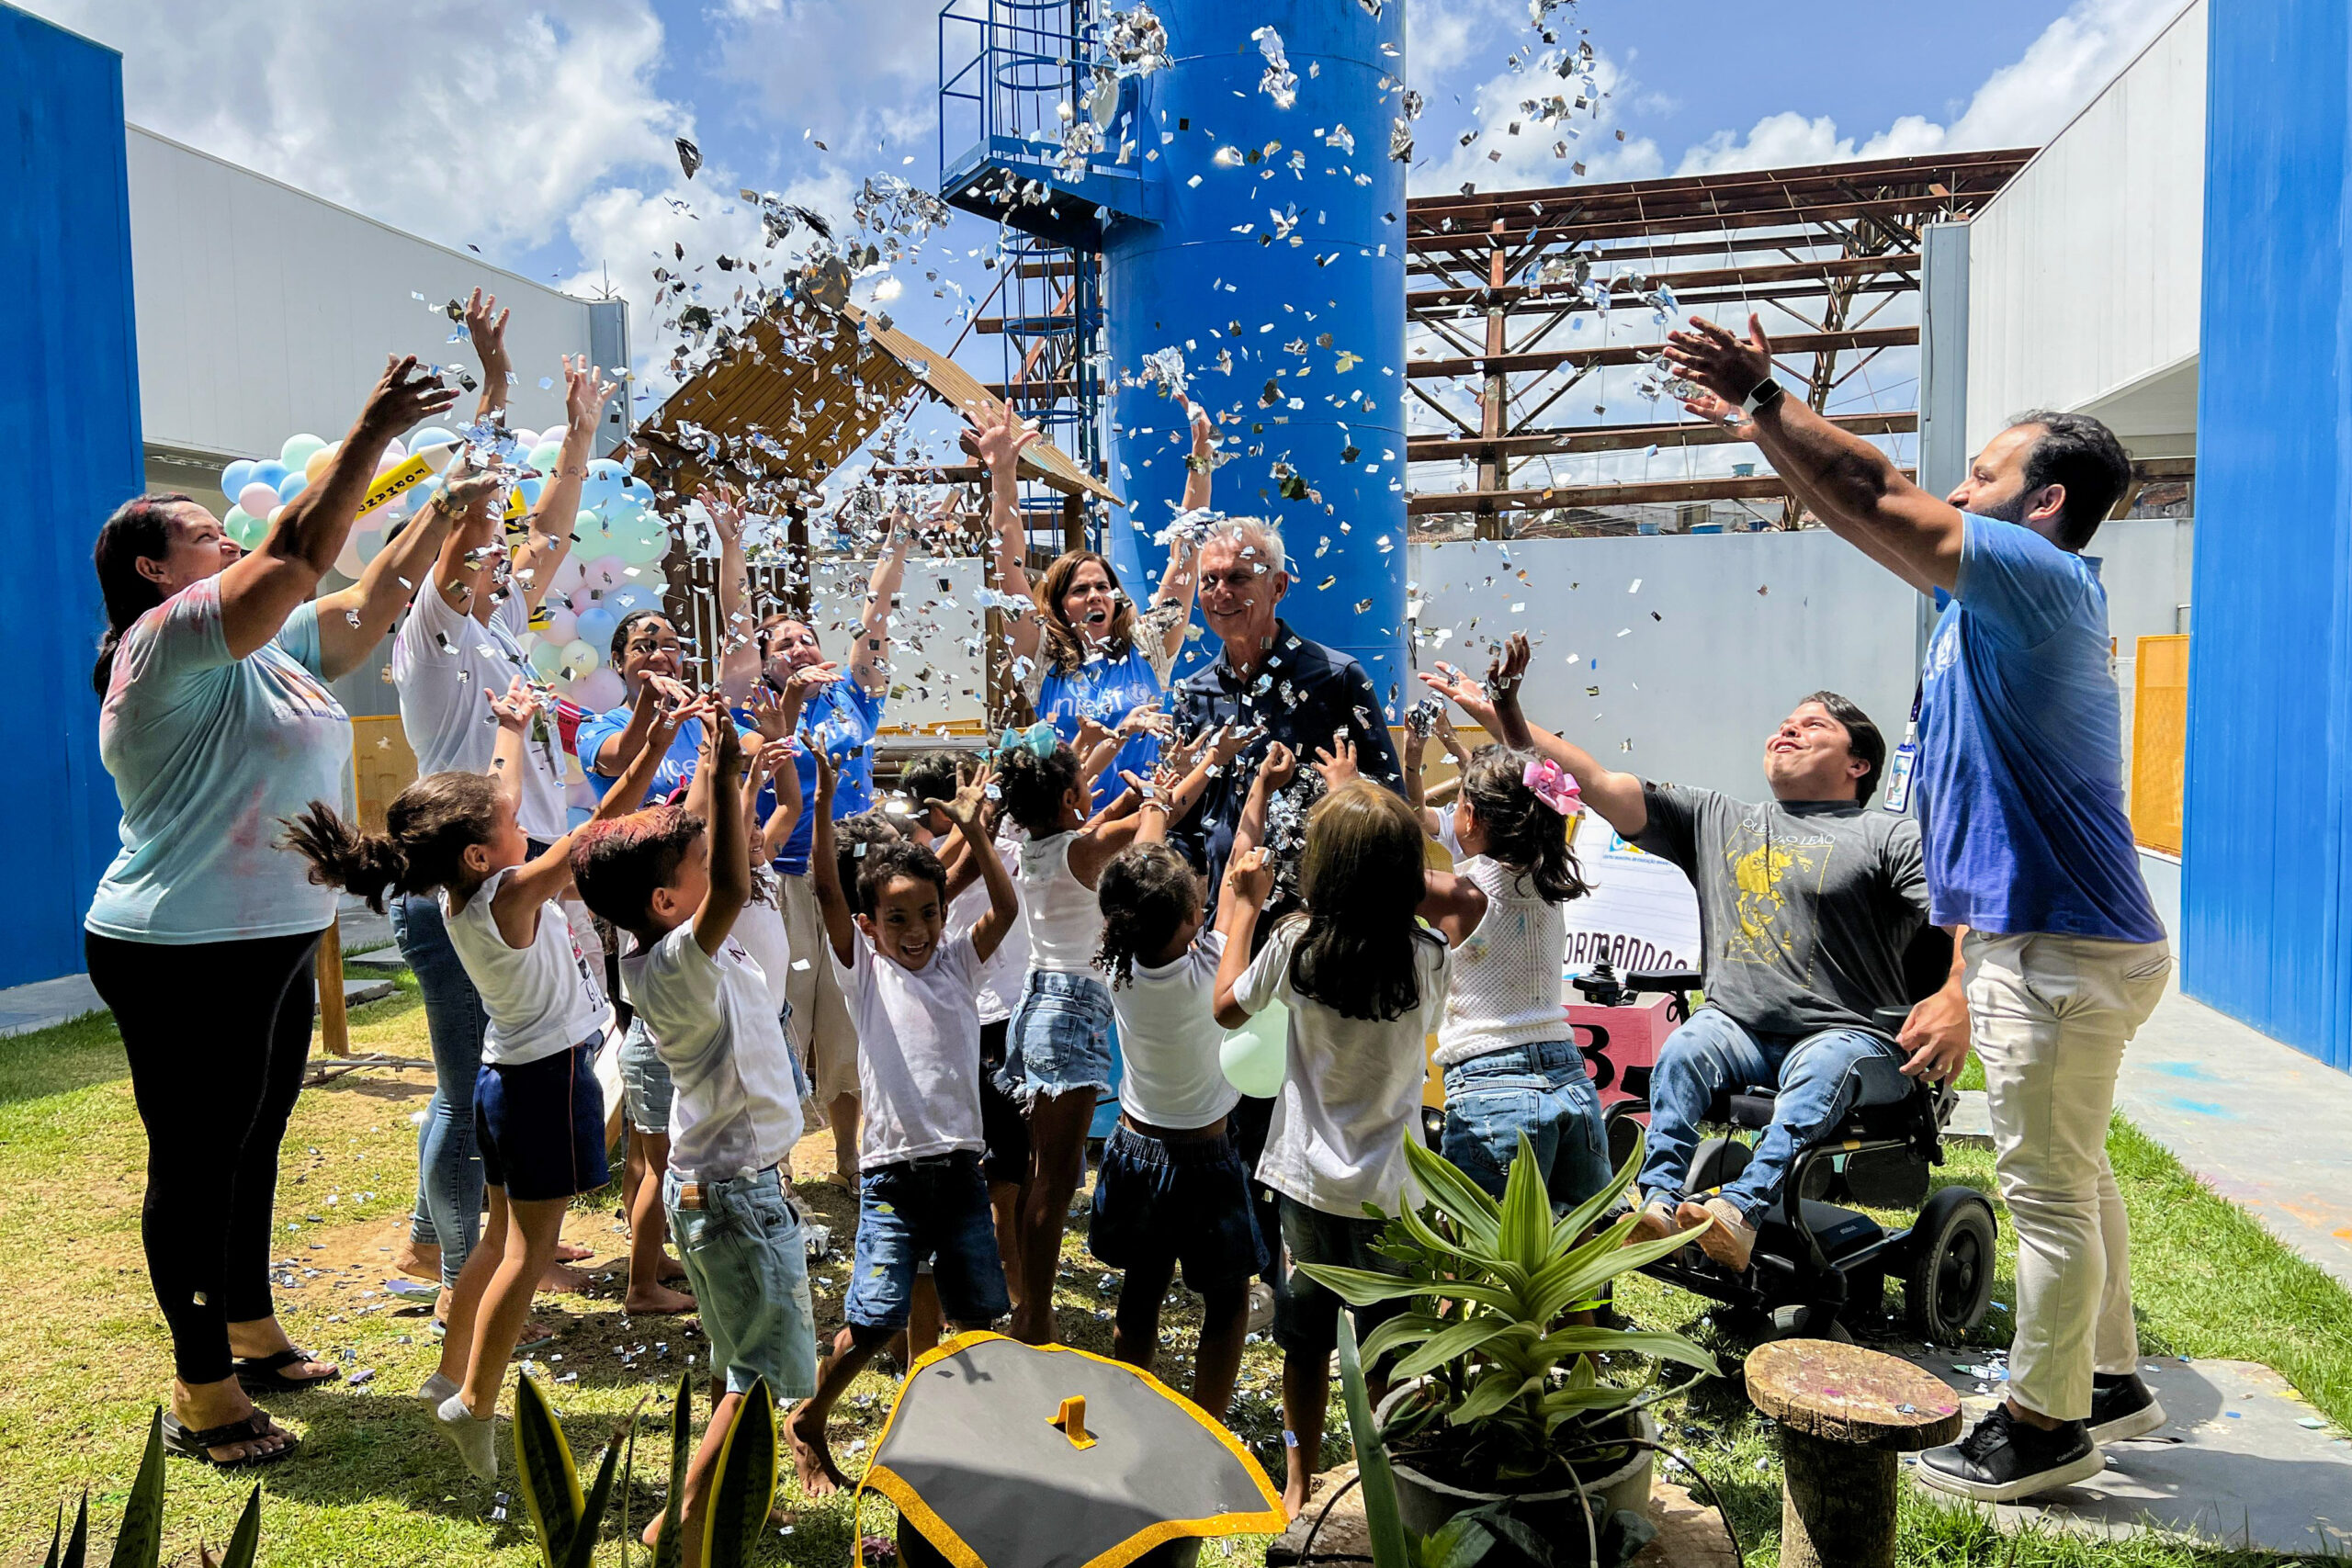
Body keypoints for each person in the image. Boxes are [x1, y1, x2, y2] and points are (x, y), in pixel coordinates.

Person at [1664, 315, 2172, 1499]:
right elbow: (1862, 513)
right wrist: (1760, 428)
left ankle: (2046, 1429)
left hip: (2059, 948)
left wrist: (1767, 395)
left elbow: (1880, 491)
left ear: (2042, 505)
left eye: (1984, 475)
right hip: (2065, 943)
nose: (1955, 486)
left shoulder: (2037, 581)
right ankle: (2109, 1378)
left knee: (2044, 1190)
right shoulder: (1989, 609)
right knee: (2080, 1172)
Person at [84, 356, 460, 1467]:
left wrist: (447, 504)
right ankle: (204, 1390)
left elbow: (362, 604)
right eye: (204, 535)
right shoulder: (163, 646)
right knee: (196, 1160)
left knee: (254, 1141)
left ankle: (250, 1327)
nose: (227, 542)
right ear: (157, 572)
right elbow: (298, 552)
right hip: (181, 947)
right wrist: (376, 424)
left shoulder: (267, 653)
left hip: (274, 938)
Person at [1429, 638, 1951, 1267]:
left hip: (1848, 1036)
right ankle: (1656, 1198)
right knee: (1683, 1048)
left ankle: (1741, 1207)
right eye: (1785, 721)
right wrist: (1497, 709)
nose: (1788, 728)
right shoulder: (1718, 817)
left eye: (1813, 724)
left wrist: (1957, 994)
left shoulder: (1888, 835)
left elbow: (1966, 918)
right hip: (1737, 1027)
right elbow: (1592, 781)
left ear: (1859, 763)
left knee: (1822, 1067)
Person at [284, 678, 678, 1478]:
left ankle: (448, 1367)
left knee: (497, 1240)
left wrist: (510, 724)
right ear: (478, 852)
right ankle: (477, 1401)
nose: (522, 821)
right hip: (544, 1084)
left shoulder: (462, 892)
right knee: (526, 1256)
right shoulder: (508, 893)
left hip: (507, 1079)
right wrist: (657, 750)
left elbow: (498, 794)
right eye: (510, 825)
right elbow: (598, 830)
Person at [390, 306, 617, 1311]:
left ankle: (461, 1236)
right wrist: (494, 386)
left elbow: (551, 522)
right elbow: (468, 516)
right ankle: (451, 1271)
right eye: (490, 552)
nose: (511, 558)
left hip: (506, 876)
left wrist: (577, 435)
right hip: (459, 885)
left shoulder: (501, 625)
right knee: (460, 1087)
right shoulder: (433, 631)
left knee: (501, 1075)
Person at [571, 715, 817, 1559]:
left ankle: (701, 1509)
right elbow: (739, 889)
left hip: (721, 1188)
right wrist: (723, 763)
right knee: (754, 1383)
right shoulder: (676, 962)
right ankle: (677, 1520)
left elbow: (729, 870)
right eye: (703, 866)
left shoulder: (672, 951)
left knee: (733, 1356)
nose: (724, 868)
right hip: (740, 1197)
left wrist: (730, 780)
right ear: (668, 901)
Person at [1213, 780, 1451, 1518]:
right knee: (1393, 1344)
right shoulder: (1427, 955)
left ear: (1321, 869)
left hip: (1308, 1184)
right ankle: (1393, 1479)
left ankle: (1298, 1482)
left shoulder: (1294, 944)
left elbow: (1226, 1010)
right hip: (1394, 1190)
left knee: (1304, 1343)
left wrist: (1246, 909)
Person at [787, 761, 1018, 1496]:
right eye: (897, 917)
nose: (915, 931)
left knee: (983, 1317)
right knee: (876, 1319)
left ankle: (970, 1436)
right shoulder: (865, 971)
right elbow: (827, 888)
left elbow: (1006, 911)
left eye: (927, 913)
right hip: (891, 1177)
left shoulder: (955, 961)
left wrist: (978, 835)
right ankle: (809, 1417)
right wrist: (823, 803)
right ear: (867, 925)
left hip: (959, 1174)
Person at [990, 727, 1239, 1344]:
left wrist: (1200, 764)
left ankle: (1027, 1295)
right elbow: (1150, 845)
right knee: (1054, 1170)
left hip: (1038, 1004)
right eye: (1083, 780)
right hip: (1071, 1012)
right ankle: (1036, 1313)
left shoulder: (1048, 843)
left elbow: (1149, 810)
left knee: (1039, 1168)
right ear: (1073, 791)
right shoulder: (1088, 847)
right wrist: (1167, 788)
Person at [573, 516, 763, 1318]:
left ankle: (649, 1244)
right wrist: (669, 727)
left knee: (667, 1106)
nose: (659, 653)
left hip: (702, 917)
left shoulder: (707, 717)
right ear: (617, 664)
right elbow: (621, 771)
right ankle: (645, 1266)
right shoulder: (608, 725)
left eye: (667, 643)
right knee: (661, 1119)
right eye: (642, 645)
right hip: (650, 925)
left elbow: (747, 673)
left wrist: (731, 546)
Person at [1087, 749, 1288, 1419]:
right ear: (1185, 925)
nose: (1207, 905)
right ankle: (1206, 1423)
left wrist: (1156, 806)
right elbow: (1245, 863)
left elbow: (1136, 868)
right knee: (1227, 1299)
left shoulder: (1114, 955)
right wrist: (1258, 784)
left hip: (1135, 1148)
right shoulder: (1210, 966)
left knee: (1141, 1289)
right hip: (1205, 1160)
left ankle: (1126, 1405)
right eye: (1198, 905)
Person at [742, 516, 911, 1189]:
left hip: (849, 872)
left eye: (807, 636)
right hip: (781, 878)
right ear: (765, 660)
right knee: (783, 1008)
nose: (801, 644)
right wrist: (785, 698)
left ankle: (848, 1151)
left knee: (846, 1013)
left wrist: (896, 542)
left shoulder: (852, 695)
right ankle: (777, 1159)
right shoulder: (757, 705)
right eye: (784, 642)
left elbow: (876, 613)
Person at [1393, 698, 1605, 1208]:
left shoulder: (1460, 892)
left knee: (1471, 1263)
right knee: (1578, 1260)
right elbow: (1529, 774)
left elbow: (1373, 866)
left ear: (1468, 814)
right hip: (1574, 1081)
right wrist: (1506, 700)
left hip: (1493, 1089)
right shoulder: (1550, 875)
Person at [978, 405, 1211, 807]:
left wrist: (1201, 462)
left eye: (1103, 586)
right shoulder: (1042, 658)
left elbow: (1186, 555)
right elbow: (1008, 571)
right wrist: (1003, 475)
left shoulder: (1148, 646)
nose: (1095, 596)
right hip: (1070, 831)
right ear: (1059, 605)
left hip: (1145, 825)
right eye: (1080, 589)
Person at [1169, 517, 1403, 905]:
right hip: (1224, 923)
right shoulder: (1193, 694)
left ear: (1278, 586)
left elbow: (1390, 801)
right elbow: (1186, 823)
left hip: (1318, 918)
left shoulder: (1337, 679)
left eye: (1238, 578)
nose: (1220, 593)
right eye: (1208, 581)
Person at [906, 748, 1033, 1314]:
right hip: (981, 1018)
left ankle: (1016, 1262)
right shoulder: (919, 868)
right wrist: (973, 828)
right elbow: (956, 880)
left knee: (1019, 1157)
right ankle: (1005, 1271)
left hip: (1015, 1012)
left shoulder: (1003, 845)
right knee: (1000, 1164)